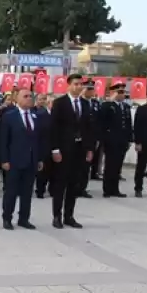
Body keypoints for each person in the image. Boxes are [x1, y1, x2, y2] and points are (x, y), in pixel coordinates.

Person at [49, 73, 93, 229]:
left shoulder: (86, 104)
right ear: (69, 85)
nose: (79, 87)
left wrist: (89, 148)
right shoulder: (60, 103)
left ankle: (69, 216)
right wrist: (55, 149)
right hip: (63, 149)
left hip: (79, 150)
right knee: (61, 184)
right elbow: (53, 128)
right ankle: (57, 216)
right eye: (75, 84)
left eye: (81, 84)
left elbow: (88, 128)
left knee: (74, 185)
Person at [0, 88, 43, 230]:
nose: (29, 98)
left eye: (31, 96)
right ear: (17, 99)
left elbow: (38, 140)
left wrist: (39, 159)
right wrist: (4, 159)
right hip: (14, 160)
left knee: (27, 192)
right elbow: (3, 140)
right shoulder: (9, 116)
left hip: (31, 160)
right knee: (11, 191)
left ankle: (24, 218)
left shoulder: (36, 116)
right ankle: (7, 218)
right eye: (26, 96)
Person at [99, 83, 133, 198]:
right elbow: (102, 116)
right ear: (113, 93)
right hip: (111, 140)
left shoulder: (126, 107)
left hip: (122, 140)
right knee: (110, 165)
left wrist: (129, 139)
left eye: (123, 92)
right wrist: (110, 100)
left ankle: (115, 188)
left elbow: (128, 124)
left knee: (118, 166)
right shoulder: (108, 105)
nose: (122, 95)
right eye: (119, 92)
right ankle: (107, 189)